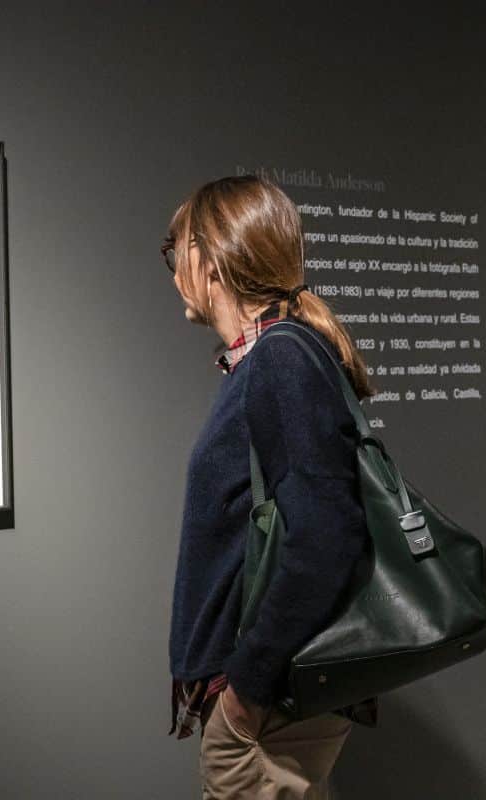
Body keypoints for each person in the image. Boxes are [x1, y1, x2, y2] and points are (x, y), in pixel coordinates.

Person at [164, 175, 379, 799]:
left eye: (175, 248)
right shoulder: (268, 360)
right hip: (266, 710)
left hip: (265, 716)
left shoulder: (282, 360)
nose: (173, 265)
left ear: (213, 258)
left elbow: (328, 536)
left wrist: (247, 694)